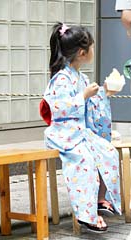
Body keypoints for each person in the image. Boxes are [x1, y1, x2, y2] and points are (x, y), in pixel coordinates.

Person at [40, 22, 122, 233]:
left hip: (79, 131)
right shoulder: (61, 78)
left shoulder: (81, 77)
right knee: (84, 160)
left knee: (108, 151)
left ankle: (100, 199)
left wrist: (104, 93)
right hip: (63, 132)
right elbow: (58, 109)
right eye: (92, 47)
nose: (93, 51)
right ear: (82, 52)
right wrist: (84, 96)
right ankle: (87, 215)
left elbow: (90, 105)